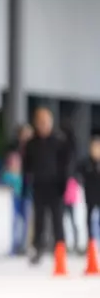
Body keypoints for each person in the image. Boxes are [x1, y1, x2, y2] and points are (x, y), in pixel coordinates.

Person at [22, 108, 73, 268]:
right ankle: (38, 248)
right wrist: (25, 185)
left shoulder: (59, 141)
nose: (43, 125)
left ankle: (60, 249)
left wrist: (64, 184)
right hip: (39, 186)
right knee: (39, 220)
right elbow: (26, 166)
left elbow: (66, 164)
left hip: (55, 186)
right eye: (40, 122)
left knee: (58, 219)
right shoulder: (31, 143)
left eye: (45, 122)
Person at [77, 136, 100, 251]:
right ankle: (91, 242)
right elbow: (77, 174)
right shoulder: (86, 163)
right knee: (89, 219)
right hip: (90, 195)